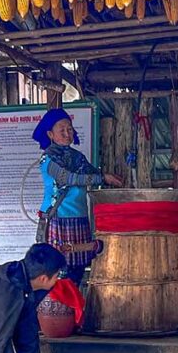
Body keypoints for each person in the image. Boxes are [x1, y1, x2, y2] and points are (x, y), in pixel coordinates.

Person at [32, 108, 123, 287]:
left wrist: (107, 176)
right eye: (62, 130)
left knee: (78, 270)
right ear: (50, 134)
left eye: (70, 129)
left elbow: (92, 173)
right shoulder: (47, 159)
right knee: (58, 272)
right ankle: (55, 313)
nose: (67, 134)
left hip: (79, 218)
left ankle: (74, 311)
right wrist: (103, 178)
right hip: (57, 219)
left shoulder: (77, 157)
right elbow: (68, 178)